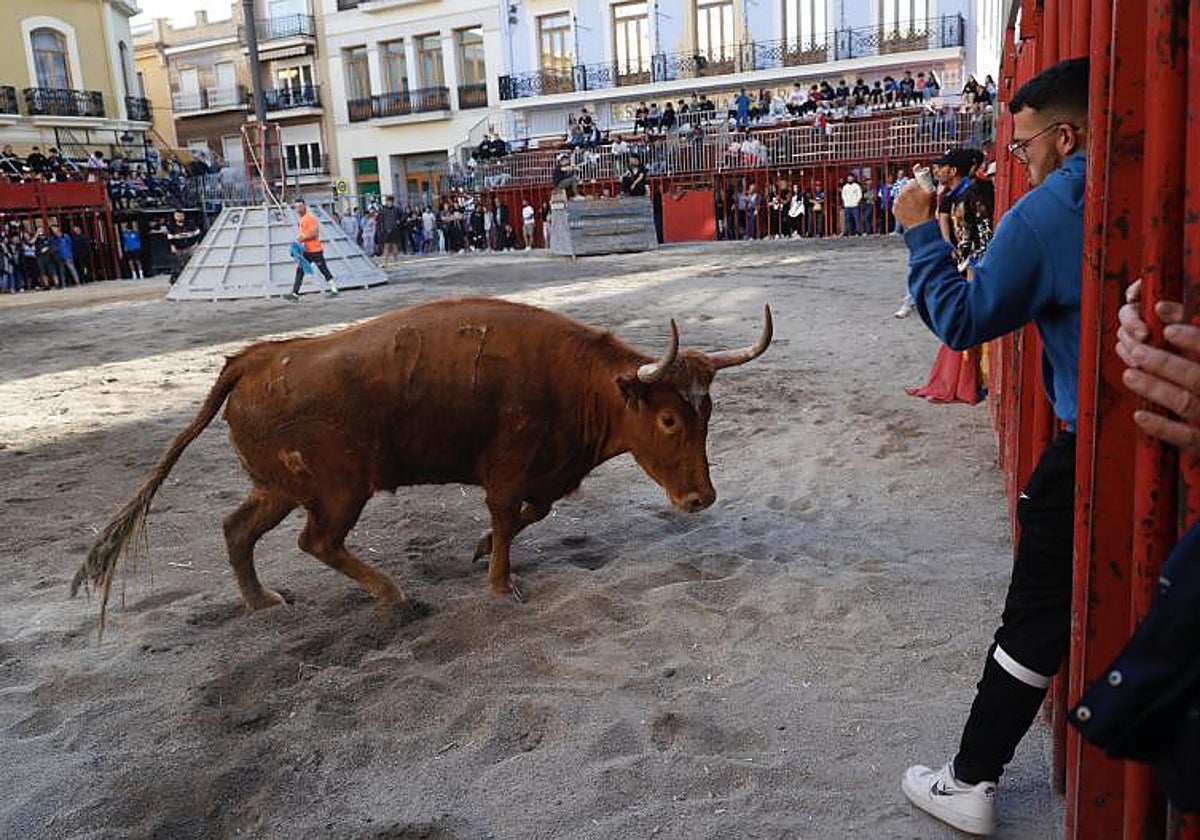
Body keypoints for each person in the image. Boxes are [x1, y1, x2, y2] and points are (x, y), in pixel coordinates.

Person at [892, 57, 1089, 836]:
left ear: (1066, 137)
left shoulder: (1046, 214)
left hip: (1091, 441)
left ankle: (970, 780)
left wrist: (916, 233)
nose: (1024, 159)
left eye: (1028, 144)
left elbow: (965, 319)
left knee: (1035, 617)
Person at [285, 198, 339, 301]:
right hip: (306, 251)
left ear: (305, 206)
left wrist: (301, 238)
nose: (298, 209)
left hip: (315, 250)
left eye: (300, 206)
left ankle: (334, 289)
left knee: (323, 269)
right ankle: (295, 293)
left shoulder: (309, 218)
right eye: (296, 207)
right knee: (300, 270)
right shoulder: (302, 219)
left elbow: (315, 234)